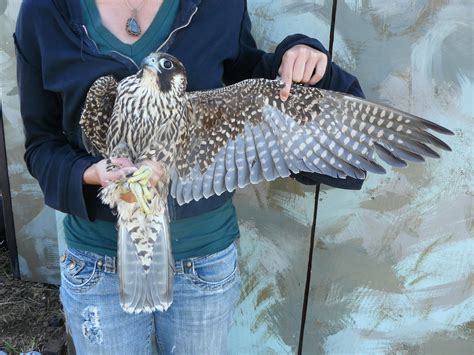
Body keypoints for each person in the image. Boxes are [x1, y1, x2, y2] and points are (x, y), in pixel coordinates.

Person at [15, 0, 364, 353]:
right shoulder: (47, 9)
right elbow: (42, 143)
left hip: (202, 261)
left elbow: (258, 77)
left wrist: (301, 55)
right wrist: (91, 173)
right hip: (98, 261)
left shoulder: (218, 6)